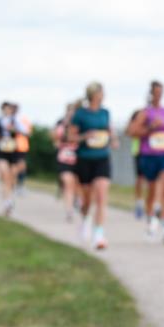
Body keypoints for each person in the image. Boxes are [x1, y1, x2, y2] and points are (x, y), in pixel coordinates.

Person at [127, 81, 164, 243]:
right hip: (149, 156)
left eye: (161, 92)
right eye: (156, 92)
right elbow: (132, 131)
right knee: (152, 192)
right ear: (152, 94)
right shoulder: (145, 113)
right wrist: (151, 128)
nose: (159, 95)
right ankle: (151, 219)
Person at [71, 82, 118, 250]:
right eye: (100, 92)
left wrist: (113, 139)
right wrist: (85, 136)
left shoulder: (105, 112)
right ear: (93, 94)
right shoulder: (80, 114)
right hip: (84, 158)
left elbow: (109, 130)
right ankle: (85, 219)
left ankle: (99, 234)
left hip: (102, 158)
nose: (103, 95)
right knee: (87, 199)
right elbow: (71, 137)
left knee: (101, 194)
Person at [0, 102, 31, 216]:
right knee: (5, 175)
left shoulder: (16, 120)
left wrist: (15, 129)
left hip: (13, 151)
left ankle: (9, 199)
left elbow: (26, 132)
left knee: (11, 176)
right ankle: (7, 202)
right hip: (2, 150)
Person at [53, 102, 81, 222]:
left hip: (79, 158)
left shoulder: (81, 125)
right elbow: (55, 141)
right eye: (69, 111)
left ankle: (77, 199)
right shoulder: (61, 125)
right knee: (68, 183)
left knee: (76, 183)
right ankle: (69, 211)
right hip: (64, 158)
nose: (71, 114)